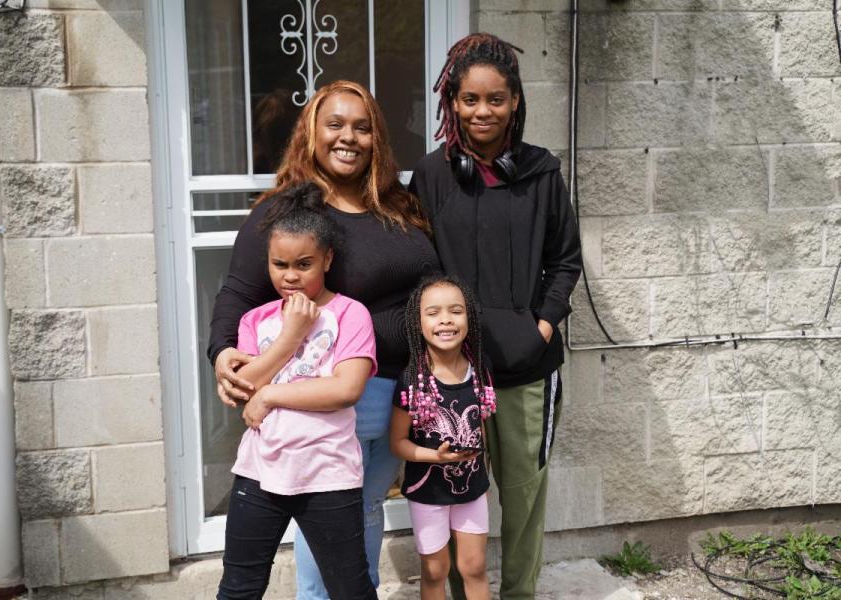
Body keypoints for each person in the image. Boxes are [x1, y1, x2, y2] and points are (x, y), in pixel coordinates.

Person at [207, 80, 439, 599]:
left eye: (361, 127)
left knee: (367, 508)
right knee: (328, 515)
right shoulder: (286, 215)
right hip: (332, 397)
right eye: (334, 125)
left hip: (399, 393)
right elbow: (238, 293)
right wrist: (224, 352)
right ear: (311, 133)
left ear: (376, 137)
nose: (348, 137)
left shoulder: (396, 202)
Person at [408, 33, 583, 600]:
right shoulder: (432, 176)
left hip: (528, 367)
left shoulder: (540, 173)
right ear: (451, 103)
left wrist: (542, 327)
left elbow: (565, 259)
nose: (482, 111)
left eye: (496, 99)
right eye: (469, 99)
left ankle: (521, 594)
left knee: (524, 493)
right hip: (455, 373)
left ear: (515, 103)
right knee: (459, 493)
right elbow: (420, 265)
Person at [217, 183, 377, 599]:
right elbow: (246, 388)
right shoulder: (256, 320)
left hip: (328, 473)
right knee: (239, 588)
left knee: (351, 589)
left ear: (327, 259)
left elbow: (346, 389)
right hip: (259, 472)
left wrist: (270, 396)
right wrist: (291, 336)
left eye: (304, 264)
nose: (290, 276)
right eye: (280, 264)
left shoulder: (350, 314)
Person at [389, 274, 496, 600]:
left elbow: (482, 425)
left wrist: (480, 467)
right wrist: (434, 457)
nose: (445, 320)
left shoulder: (480, 368)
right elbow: (398, 442)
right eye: (433, 312)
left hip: (472, 488)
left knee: (474, 567)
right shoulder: (411, 380)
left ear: (469, 317)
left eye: (455, 311)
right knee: (435, 571)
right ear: (417, 321)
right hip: (428, 491)